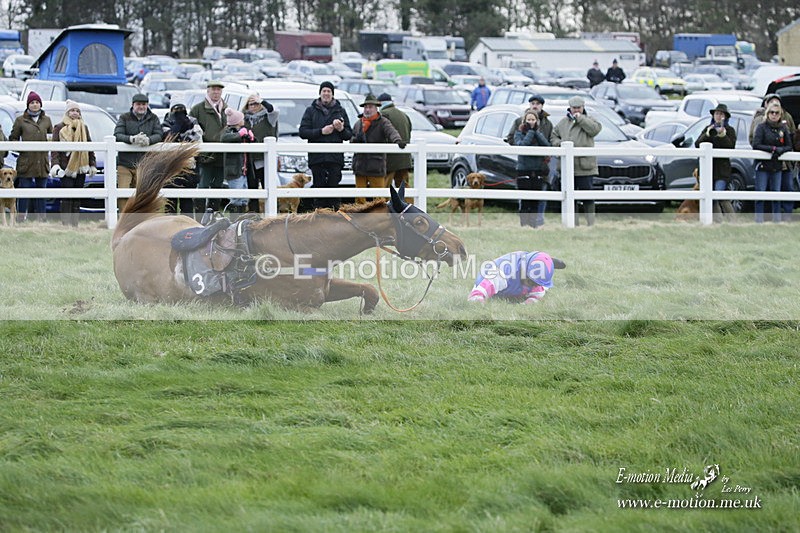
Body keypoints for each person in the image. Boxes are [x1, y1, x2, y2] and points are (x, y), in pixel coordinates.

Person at [299, 81, 353, 210]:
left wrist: (340, 129)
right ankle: (319, 216)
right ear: (320, 93)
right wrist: (321, 132)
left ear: (332, 94)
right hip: (317, 158)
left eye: (329, 91)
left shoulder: (340, 111)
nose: (326, 93)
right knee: (319, 190)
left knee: (334, 191)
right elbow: (303, 132)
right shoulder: (311, 111)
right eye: (324, 91)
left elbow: (348, 135)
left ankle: (335, 216)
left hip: (335, 158)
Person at [551, 96, 602, 226]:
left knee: (587, 197)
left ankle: (591, 223)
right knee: (570, 197)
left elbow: (594, 130)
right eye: (574, 108)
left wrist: (581, 119)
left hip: (585, 167)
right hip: (567, 167)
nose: (576, 110)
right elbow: (553, 136)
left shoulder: (590, 120)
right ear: (570, 108)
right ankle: (573, 223)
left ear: (583, 107)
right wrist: (560, 144)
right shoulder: (563, 122)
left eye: (579, 108)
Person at [749, 94, 796, 220]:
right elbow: (756, 144)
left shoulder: (783, 128)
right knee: (761, 193)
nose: (774, 115)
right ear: (767, 113)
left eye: (777, 113)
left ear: (780, 114)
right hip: (762, 165)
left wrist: (780, 150)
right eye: (772, 112)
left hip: (777, 166)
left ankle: (777, 220)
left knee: (776, 194)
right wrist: (773, 149)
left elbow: (789, 145)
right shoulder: (761, 126)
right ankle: (759, 220)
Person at [350, 94, 405, 203]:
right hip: (360, 165)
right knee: (359, 198)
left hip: (376, 166)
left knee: (379, 198)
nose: (367, 109)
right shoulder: (358, 123)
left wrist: (397, 140)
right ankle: (360, 215)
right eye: (366, 107)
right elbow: (352, 139)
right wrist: (355, 140)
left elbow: (391, 132)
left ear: (376, 108)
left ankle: (380, 215)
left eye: (370, 107)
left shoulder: (383, 122)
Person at [50, 100, 97, 226]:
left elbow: (90, 146)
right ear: (67, 112)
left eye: (77, 111)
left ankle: (75, 223)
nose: (75, 113)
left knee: (77, 195)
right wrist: (55, 165)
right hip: (66, 167)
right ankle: (66, 223)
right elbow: (54, 149)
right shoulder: (59, 127)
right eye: (72, 110)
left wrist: (92, 164)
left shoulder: (84, 127)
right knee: (67, 195)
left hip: (81, 166)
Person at [113, 93, 163, 212]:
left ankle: (139, 219)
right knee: (123, 193)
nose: (141, 107)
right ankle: (124, 217)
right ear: (133, 105)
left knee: (142, 194)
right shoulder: (124, 117)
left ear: (147, 105)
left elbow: (159, 134)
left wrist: (149, 140)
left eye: (144, 104)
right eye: (138, 104)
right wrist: (132, 139)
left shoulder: (153, 118)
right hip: (125, 163)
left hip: (145, 164)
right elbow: (117, 134)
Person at [9, 91, 53, 222]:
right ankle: (21, 218)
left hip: (42, 162)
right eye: (32, 102)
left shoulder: (47, 120)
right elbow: (13, 139)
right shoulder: (20, 120)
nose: (35, 105)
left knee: (41, 192)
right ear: (28, 105)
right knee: (24, 191)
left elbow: (51, 137)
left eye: (37, 102)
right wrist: (22, 148)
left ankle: (41, 218)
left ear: (40, 104)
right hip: (26, 162)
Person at [467, 251, 563, 304]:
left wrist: (527, 304)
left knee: (543, 289)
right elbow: (476, 295)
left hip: (525, 266)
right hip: (493, 279)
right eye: (531, 282)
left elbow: (537, 295)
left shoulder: (536, 281)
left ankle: (547, 260)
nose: (533, 286)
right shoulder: (503, 273)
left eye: (536, 284)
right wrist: (479, 300)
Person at [190, 80, 228, 212]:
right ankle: (200, 216)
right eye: (214, 89)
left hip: (221, 154)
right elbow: (192, 131)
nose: (216, 92)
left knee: (218, 185)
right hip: (205, 155)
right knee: (203, 185)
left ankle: (214, 215)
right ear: (208, 90)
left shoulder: (227, 109)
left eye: (219, 90)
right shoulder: (198, 109)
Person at [162, 99, 203, 217]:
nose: (180, 114)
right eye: (176, 111)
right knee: (170, 201)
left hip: (189, 166)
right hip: (171, 166)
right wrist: (178, 126)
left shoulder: (193, 122)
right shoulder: (166, 123)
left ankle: (187, 224)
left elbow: (198, 138)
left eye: (182, 111)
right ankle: (169, 223)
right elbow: (167, 138)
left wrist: (182, 133)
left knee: (187, 200)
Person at [695, 103, 737, 222]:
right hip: (708, 169)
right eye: (717, 114)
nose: (718, 116)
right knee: (710, 197)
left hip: (722, 170)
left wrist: (722, 135)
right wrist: (708, 134)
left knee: (720, 195)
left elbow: (730, 147)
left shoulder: (730, 130)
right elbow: (697, 144)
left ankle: (733, 220)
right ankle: (717, 221)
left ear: (725, 117)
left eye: (721, 114)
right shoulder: (708, 128)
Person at [514, 110, 551, 228]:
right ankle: (524, 224)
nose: (531, 122)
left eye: (533, 119)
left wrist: (536, 132)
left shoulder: (539, 133)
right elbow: (523, 145)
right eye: (529, 119)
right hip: (524, 170)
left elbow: (546, 145)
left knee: (535, 200)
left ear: (537, 121)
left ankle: (533, 225)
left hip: (537, 170)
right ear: (524, 121)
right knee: (525, 200)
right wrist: (531, 131)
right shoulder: (518, 133)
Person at [242, 93, 279, 213]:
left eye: (256, 103)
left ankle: (272, 215)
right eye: (251, 104)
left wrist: (262, 100)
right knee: (252, 190)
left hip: (265, 160)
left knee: (268, 187)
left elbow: (273, 110)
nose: (253, 106)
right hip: (249, 160)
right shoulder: (244, 119)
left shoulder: (269, 117)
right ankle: (254, 216)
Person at [220, 108, 255, 217]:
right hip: (234, 171)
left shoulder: (244, 131)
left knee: (244, 198)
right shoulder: (228, 131)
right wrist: (239, 135)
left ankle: (242, 217)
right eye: (242, 119)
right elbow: (224, 138)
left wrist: (252, 138)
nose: (243, 120)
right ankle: (234, 218)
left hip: (244, 170)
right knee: (236, 197)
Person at [377, 92, 412, 189]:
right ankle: (409, 200)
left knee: (384, 187)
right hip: (404, 158)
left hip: (390, 159)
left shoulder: (383, 114)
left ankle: (383, 201)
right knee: (403, 187)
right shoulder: (404, 115)